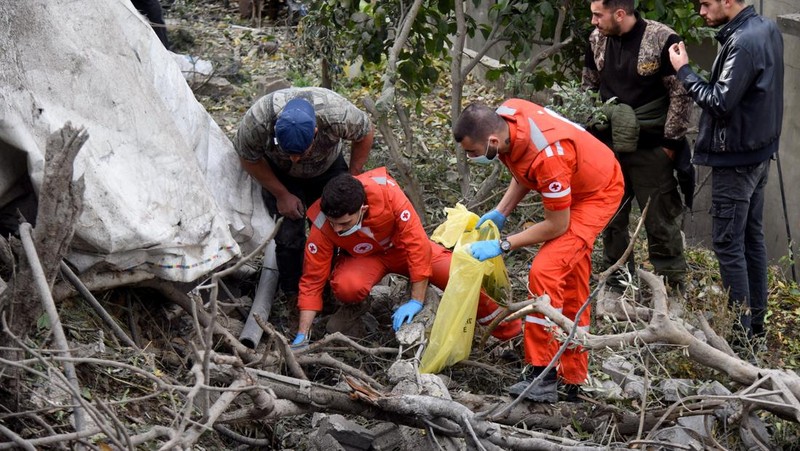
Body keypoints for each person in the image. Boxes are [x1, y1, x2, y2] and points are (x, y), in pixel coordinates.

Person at [454, 101, 624, 402]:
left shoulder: (550, 156)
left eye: (473, 152)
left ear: (492, 141)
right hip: (576, 178)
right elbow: (522, 167)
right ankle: (573, 378)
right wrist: (502, 210)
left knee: (545, 271)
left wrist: (503, 244)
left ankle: (542, 373)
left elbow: (557, 225)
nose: (470, 158)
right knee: (570, 281)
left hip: (597, 193)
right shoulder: (508, 116)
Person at [290, 167, 521, 347]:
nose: (337, 230)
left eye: (344, 224)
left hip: (402, 249)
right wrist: (303, 334)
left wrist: (416, 300)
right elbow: (312, 279)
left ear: (362, 209)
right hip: (366, 259)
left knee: (459, 275)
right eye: (333, 224)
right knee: (347, 286)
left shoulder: (388, 193)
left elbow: (417, 244)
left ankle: (509, 333)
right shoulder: (323, 224)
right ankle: (355, 310)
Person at [668, 0, 784, 345]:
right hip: (758, 152)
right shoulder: (766, 28)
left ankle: (740, 338)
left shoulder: (745, 41)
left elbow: (719, 101)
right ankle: (755, 329)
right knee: (751, 239)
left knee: (728, 244)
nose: (701, 12)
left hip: (737, 158)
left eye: (705, 3)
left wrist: (684, 70)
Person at [582, 0, 692, 292]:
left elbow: (681, 95)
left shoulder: (661, 39)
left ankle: (672, 287)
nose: (593, 20)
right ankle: (618, 282)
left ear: (620, 13)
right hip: (609, 148)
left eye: (597, 14)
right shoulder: (597, 40)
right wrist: (592, 129)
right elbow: (588, 88)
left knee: (660, 219)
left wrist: (669, 144)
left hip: (652, 148)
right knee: (611, 216)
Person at [234, 87, 375, 299]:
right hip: (280, 175)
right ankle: (293, 293)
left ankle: (334, 286)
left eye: (300, 154)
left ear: (316, 133)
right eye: (289, 153)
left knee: (337, 223)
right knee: (289, 233)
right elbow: (247, 157)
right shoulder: (258, 121)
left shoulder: (336, 113)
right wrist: (281, 194)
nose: (295, 159)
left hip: (327, 168)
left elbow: (365, 133)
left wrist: (352, 177)